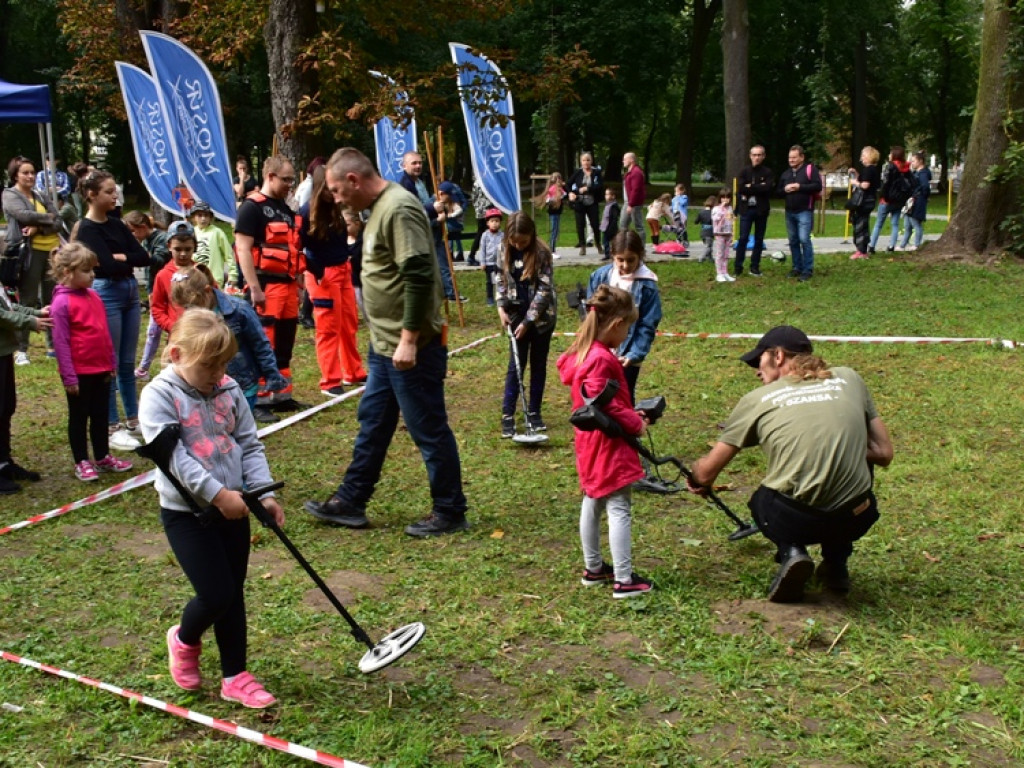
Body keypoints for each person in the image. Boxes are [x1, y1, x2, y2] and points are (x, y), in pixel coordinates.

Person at [305, 147, 468, 537]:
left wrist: (409, 338)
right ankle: (351, 500)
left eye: (336, 190)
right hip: (385, 346)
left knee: (427, 428)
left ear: (353, 180)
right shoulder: (377, 209)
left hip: (411, 346)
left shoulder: (399, 208)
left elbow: (418, 275)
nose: (336, 198)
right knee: (374, 423)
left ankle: (450, 510)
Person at [139, 308, 284, 709]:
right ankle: (183, 639)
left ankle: (235, 675)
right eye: (209, 365)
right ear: (176, 355)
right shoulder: (158, 396)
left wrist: (263, 494)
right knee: (216, 593)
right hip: (188, 514)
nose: (218, 374)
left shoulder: (228, 389)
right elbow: (175, 460)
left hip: (234, 508)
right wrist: (219, 494)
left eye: (223, 364)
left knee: (233, 593)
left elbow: (249, 444)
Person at [686, 325, 894, 603]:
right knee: (853, 473)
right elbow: (883, 453)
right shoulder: (850, 379)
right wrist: (842, 447)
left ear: (779, 356)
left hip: (795, 520)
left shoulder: (757, 400)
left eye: (758, 361)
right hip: (856, 516)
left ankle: (793, 552)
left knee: (761, 501)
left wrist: (696, 476)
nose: (757, 371)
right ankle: (836, 565)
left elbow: (707, 472)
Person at [557, 284, 652, 599]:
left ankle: (594, 568)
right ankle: (624, 580)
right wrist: (635, 423)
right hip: (607, 441)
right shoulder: (601, 359)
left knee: (593, 498)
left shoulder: (583, 353)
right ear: (615, 325)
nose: (626, 334)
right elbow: (605, 403)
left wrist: (628, 411)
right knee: (619, 504)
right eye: (627, 327)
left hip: (590, 441)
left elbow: (600, 399)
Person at [72, 170, 151, 450]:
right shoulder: (87, 229)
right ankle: (112, 423)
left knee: (128, 362)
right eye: (108, 191)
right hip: (107, 293)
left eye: (114, 190)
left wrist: (122, 258)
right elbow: (104, 265)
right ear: (92, 195)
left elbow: (144, 257)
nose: (114, 195)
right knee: (110, 362)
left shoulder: (117, 224)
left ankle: (134, 417)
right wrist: (122, 259)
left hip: (129, 292)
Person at [48, 242, 134, 481]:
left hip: (101, 368)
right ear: (68, 272)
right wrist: (69, 376)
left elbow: (103, 332)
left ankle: (102, 455)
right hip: (80, 372)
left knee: (100, 415)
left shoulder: (94, 296)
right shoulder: (61, 304)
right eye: (86, 271)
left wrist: (111, 363)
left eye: (92, 270)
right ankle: (81, 460)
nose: (93, 275)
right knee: (79, 417)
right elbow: (61, 343)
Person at [234, 155, 303, 407]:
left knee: (285, 340)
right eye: (285, 179)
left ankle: (281, 396)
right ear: (270, 176)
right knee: (264, 340)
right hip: (265, 285)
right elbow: (243, 249)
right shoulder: (252, 207)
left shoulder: (286, 209)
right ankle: (260, 399)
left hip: (288, 285)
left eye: (292, 180)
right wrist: (254, 288)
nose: (289, 184)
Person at [170, 266, 288, 412]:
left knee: (238, 426)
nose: (190, 310)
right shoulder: (192, 316)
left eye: (193, 305)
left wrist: (272, 376)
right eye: (186, 307)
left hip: (243, 385)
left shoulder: (239, 310)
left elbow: (261, 344)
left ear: (207, 291)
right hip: (209, 385)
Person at [299, 166, 366, 397]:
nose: (334, 191)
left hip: (343, 270)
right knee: (328, 328)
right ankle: (330, 380)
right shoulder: (306, 212)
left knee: (349, 322)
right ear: (320, 187)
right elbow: (296, 248)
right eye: (329, 187)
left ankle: (353, 371)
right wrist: (315, 270)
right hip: (323, 275)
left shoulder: (337, 208)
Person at [495, 212, 556, 438]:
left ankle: (534, 412)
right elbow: (500, 279)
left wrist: (530, 320)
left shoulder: (542, 253)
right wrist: (501, 307)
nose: (518, 245)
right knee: (516, 365)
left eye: (522, 241)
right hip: (515, 313)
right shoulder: (503, 249)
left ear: (531, 235)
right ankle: (508, 415)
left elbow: (544, 290)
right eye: (514, 241)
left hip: (541, 319)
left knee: (538, 365)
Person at [587, 230, 661, 404]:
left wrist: (634, 353)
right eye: (620, 260)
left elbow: (647, 324)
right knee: (597, 394)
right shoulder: (599, 277)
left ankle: (627, 430)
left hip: (627, 354)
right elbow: (590, 313)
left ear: (640, 256)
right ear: (613, 255)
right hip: (600, 350)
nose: (625, 265)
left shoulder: (647, 285)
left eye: (631, 260)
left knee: (623, 398)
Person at [3, 156, 61, 364]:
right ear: (15, 175)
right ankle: (21, 350)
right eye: (25, 172)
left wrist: (38, 227)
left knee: (51, 298)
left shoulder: (41, 195)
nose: (30, 176)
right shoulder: (10, 195)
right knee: (27, 299)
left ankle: (53, 345)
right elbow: (22, 215)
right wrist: (48, 219)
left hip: (52, 252)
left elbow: (59, 221)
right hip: (28, 254)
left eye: (32, 172)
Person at [0, 273, 51, 494]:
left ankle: (3, 462)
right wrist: (29, 321)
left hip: (3, 351)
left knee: (6, 408)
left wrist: (37, 312)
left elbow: (9, 307)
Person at [145, 221, 200, 372]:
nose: (183, 254)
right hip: (176, 336)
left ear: (194, 247)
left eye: (188, 249)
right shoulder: (162, 275)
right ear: (169, 246)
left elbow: (214, 299)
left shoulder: (201, 272)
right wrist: (172, 326)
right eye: (178, 249)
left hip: (200, 334)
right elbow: (157, 308)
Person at [124, 211, 170, 380]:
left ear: (142, 228)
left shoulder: (162, 239)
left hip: (170, 292)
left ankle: (164, 368)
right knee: (153, 331)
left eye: (133, 232)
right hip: (157, 292)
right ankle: (144, 368)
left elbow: (158, 261)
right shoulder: (148, 240)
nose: (132, 236)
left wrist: (138, 256)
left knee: (166, 331)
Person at [776, 145, 822, 282]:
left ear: (802, 157)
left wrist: (799, 187)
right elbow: (777, 192)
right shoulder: (786, 174)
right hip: (789, 212)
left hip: (804, 211)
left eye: (794, 157)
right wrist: (785, 189)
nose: (791, 160)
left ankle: (808, 269)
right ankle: (797, 267)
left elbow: (817, 186)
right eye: (790, 157)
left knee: (804, 239)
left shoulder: (810, 170)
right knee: (793, 241)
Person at [734, 146, 774, 277]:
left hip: (761, 210)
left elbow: (767, 189)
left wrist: (750, 187)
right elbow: (740, 188)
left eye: (759, 155)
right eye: (754, 155)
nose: (756, 157)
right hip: (746, 210)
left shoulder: (767, 172)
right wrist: (757, 187)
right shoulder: (744, 171)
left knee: (759, 239)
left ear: (763, 156)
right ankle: (738, 266)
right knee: (743, 238)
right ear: (750, 156)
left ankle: (755, 267)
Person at [868, 145, 912, 254]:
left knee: (879, 223)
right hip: (899, 200)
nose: (889, 155)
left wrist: (883, 196)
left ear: (894, 155)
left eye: (890, 153)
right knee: (895, 224)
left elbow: (886, 183)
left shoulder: (891, 167)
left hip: (887, 200)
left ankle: (872, 245)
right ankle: (891, 246)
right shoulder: (905, 168)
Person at [189, 201, 236, 286]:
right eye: (199, 215)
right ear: (194, 217)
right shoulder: (191, 232)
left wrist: (233, 274)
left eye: (206, 215)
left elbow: (229, 254)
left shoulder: (217, 232)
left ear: (211, 217)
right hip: (195, 279)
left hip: (215, 279)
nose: (203, 218)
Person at [567, 152, 604, 256]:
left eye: (588, 160)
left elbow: (600, 186)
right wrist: (570, 193)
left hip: (592, 201)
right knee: (580, 224)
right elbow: (568, 184)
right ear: (581, 162)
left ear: (591, 161)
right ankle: (582, 246)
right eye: (584, 160)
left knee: (595, 224)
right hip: (580, 202)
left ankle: (598, 244)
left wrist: (588, 188)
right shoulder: (578, 172)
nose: (586, 162)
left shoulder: (596, 172)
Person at [848, 146, 881, 260]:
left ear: (869, 156)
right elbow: (865, 180)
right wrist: (856, 174)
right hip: (870, 200)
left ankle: (861, 251)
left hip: (863, 201)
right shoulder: (873, 170)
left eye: (863, 155)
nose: (861, 158)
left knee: (860, 225)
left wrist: (854, 182)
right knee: (864, 224)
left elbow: (865, 185)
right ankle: (862, 249)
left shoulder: (868, 169)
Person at [898, 151, 931, 252]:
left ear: (920, 161)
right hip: (912, 200)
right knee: (907, 224)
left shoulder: (923, 174)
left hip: (918, 201)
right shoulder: (916, 173)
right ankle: (902, 245)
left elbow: (925, 187)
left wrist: (922, 196)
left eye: (914, 161)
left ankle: (917, 244)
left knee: (916, 223)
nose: (912, 163)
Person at [619, 152, 646, 245]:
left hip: (633, 203)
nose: (623, 161)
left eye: (625, 159)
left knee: (639, 226)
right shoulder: (630, 172)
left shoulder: (636, 172)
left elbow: (636, 190)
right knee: (623, 225)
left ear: (632, 160)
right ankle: (623, 246)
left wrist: (631, 204)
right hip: (628, 203)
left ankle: (641, 248)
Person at [478, 207, 504, 306]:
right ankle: (490, 297)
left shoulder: (502, 235)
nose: (494, 223)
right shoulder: (485, 235)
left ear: (500, 223)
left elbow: (505, 248)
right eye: (492, 221)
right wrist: (483, 262)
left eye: (497, 221)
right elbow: (482, 249)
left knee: (500, 280)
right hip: (489, 263)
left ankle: (500, 295)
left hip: (499, 262)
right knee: (490, 281)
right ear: (488, 223)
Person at [712, 188, 735, 283]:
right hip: (719, 234)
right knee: (719, 254)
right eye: (723, 198)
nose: (725, 200)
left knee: (726, 254)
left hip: (728, 233)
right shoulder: (716, 208)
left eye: (727, 198)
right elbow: (715, 218)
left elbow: (731, 219)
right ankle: (719, 273)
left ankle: (725, 272)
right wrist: (721, 208)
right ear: (720, 198)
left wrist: (732, 231)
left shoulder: (730, 208)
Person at [544, 172, 566, 250]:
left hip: (557, 212)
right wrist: (554, 199)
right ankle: (551, 248)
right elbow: (548, 199)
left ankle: (552, 248)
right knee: (554, 230)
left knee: (556, 230)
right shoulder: (552, 188)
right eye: (557, 179)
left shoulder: (559, 188)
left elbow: (564, 194)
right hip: (553, 212)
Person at [599, 188, 621, 262]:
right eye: (605, 194)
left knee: (609, 241)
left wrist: (611, 227)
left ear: (613, 196)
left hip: (610, 228)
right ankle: (608, 254)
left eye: (608, 194)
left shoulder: (613, 206)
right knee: (605, 242)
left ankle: (611, 254)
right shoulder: (608, 205)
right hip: (605, 227)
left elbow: (614, 218)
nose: (606, 196)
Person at [695, 195, 716, 263]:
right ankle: (701, 258)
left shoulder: (701, 212)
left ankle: (710, 258)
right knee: (708, 246)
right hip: (709, 232)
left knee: (709, 245)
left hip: (703, 232)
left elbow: (696, 221)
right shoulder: (713, 213)